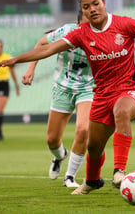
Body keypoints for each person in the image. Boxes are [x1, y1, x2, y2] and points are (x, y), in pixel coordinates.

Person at [0, 0, 135, 195]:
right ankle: (91, 182)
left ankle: (119, 171)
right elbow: (48, 49)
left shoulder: (125, 24)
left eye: (95, 4)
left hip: (131, 91)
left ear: (104, 2)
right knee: (93, 146)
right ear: (81, 10)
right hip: (101, 96)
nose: (92, 9)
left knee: (121, 110)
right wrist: (14, 60)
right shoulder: (80, 33)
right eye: (86, 7)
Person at [22, 10, 94, 188]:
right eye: (85, 25)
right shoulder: (66, 31)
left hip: (87, 89)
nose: (88, 29)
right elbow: (41, 43)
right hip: (62, 88)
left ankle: (70, 177)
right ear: (78, 25)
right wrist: (31, 69)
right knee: (52, 139)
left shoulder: (100, 36)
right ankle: (59, 156)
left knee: (83, 130)